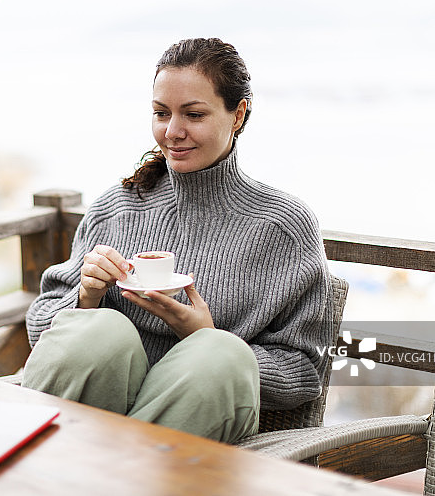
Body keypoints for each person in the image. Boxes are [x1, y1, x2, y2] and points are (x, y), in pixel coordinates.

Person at [22, 37, 331, 444]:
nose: (172, 132)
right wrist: (86, 298)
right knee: (100, 331)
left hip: (198, 427)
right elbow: (41, 324)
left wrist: (204, 334)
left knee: (219, 354)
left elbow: (306, 370)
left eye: (194, 114)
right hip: (89, 429)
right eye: (160, 113)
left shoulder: (283, 227)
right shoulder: (115, 207)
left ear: (236, 115)